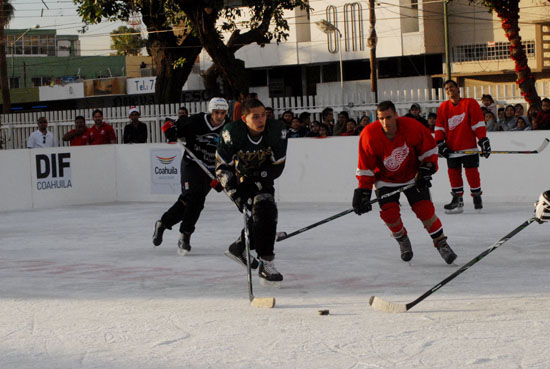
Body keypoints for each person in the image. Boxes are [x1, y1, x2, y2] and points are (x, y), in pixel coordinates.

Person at [353, 100, 457, 264]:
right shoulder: (369, 135)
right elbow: (366, 167)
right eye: (381, 118)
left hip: (412, 176)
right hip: (384, 180)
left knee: (425, 211)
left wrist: (426, 169)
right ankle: (402, 239)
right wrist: (363, 191)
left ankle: (441, 243)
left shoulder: (412, 127)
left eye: (388, 117)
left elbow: (429, 150)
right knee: (389, 214)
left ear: (396, 115)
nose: (385, 122)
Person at [215, 98, 288, 285]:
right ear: (244, 118)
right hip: (241, 178)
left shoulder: (276, 130)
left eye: (264, 115)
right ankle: (246, 251)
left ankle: (255, 256)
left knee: (266, 211)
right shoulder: (231, 132)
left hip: (264, 175)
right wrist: (233, 193)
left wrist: (262, 175)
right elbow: (223, 167)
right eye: (255, 117)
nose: (261, 120)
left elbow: (278, 166)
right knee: (259, 215)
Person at [152, 97, 229, 255]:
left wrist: (224, 177)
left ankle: (163, 223)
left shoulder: (229, 128)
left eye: (222, 113)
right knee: (195, 198)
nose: (219, 116)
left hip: (211, 169)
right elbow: (174, 127)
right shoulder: (196, 121)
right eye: (216, 112)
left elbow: (231, 153)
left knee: (190, 202)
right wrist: (170, 131)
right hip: (192, 164)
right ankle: (185, 235)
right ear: (210, 111)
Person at [435, 79, 491, 213]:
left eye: (452, 87)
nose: (450, 90)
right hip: (451, 148)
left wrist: (483, 140)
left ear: (458, 89)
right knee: (453, 173)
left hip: (468, 147)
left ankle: (477, 197)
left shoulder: (469, 103)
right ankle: (457, 200)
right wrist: (440, 142)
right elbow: (439, 126)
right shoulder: (443, 107)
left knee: (472, 173)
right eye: (447, 88)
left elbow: (477, 123)